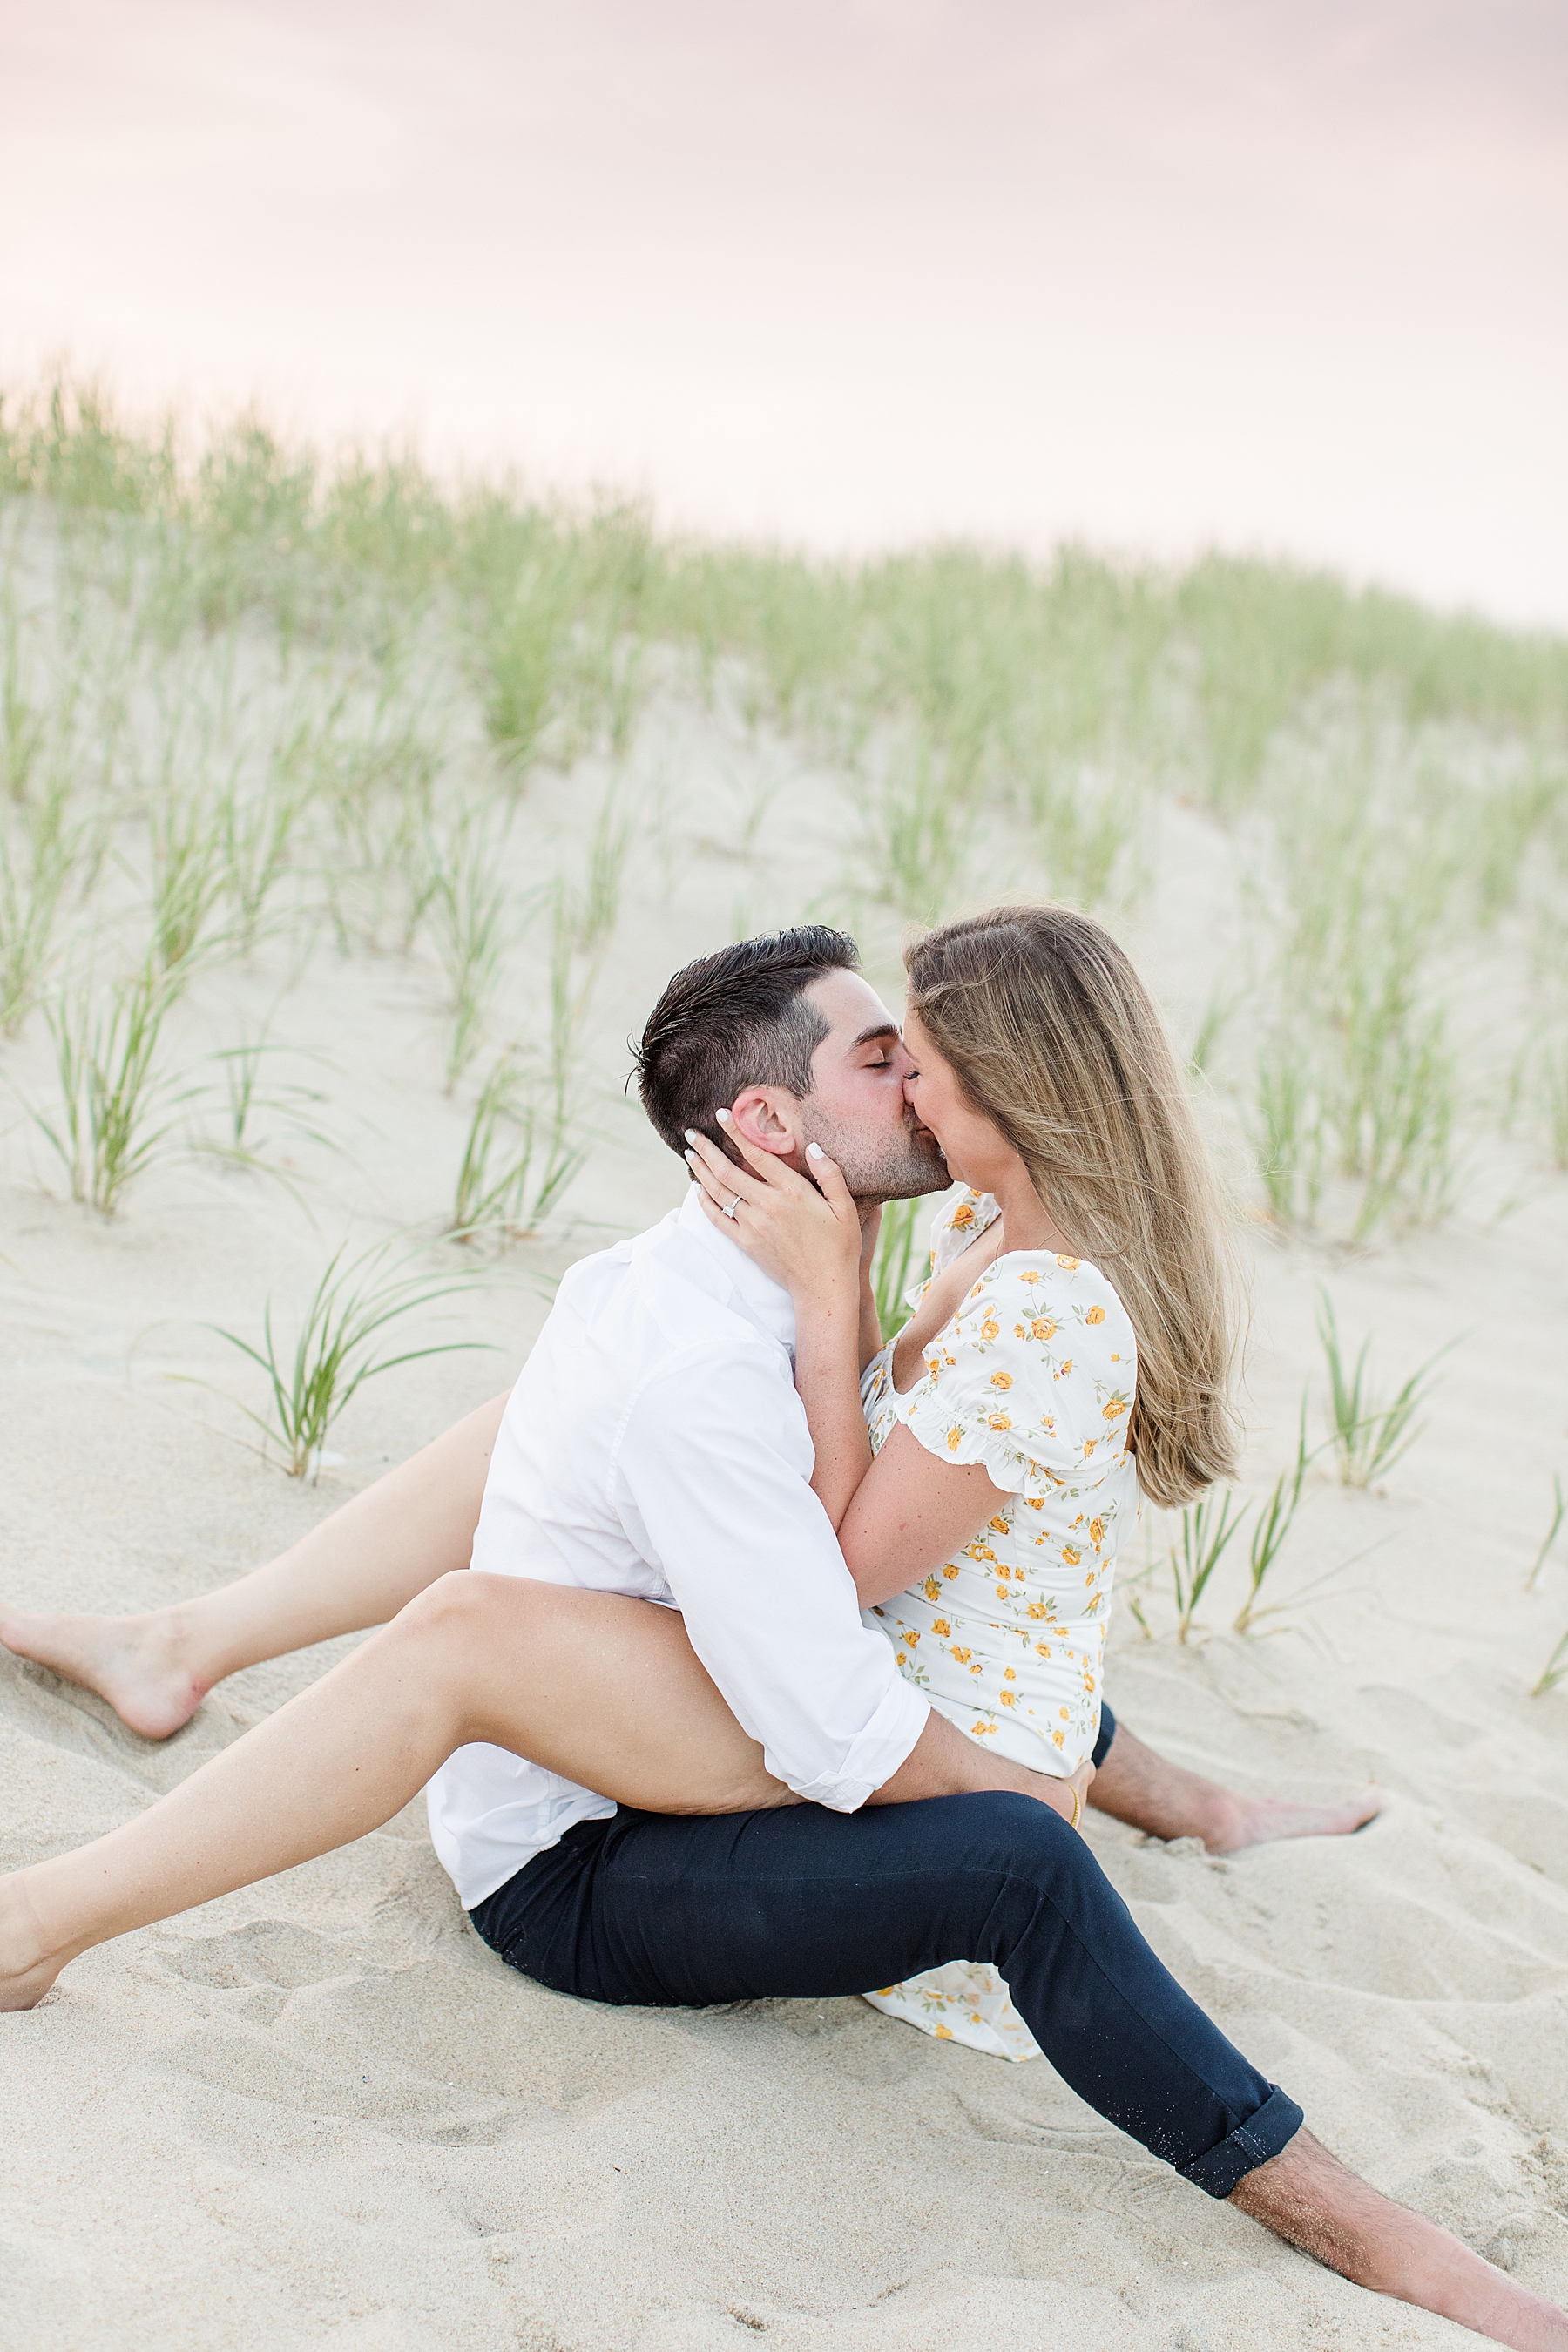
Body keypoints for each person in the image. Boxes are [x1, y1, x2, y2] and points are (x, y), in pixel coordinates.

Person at [1, 913, 1560, 2349]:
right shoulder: (721, 1357)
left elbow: (891, 1583)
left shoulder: (750, 1280)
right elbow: (834, 1715)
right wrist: (1019, 1798)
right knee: (1010, 1845)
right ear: (767, 1127)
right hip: (594, 1866)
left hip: (696, 1725)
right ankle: (1385, 2240)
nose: (921, 1092)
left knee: (970, 1617)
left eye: (923, 1062)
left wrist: (846, 1308)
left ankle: (184, 1649)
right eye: (888, 1063)